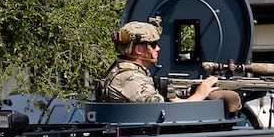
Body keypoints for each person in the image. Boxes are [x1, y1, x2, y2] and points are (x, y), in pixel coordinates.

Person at [96, 19, 241, 112]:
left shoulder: (126, 72)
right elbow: (164, 113)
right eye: (153, 44)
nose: (158, 48)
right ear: (139, 50)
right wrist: (199, 94)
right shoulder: (130, 78)